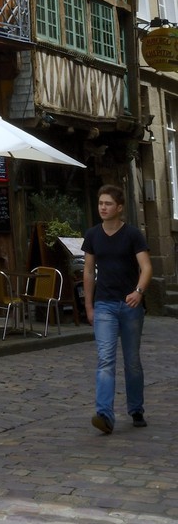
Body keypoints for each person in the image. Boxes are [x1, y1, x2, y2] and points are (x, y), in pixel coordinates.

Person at [82, 182, 152, 434]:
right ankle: (104, 414)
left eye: (108, 203)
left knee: (132, 360)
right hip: (104, 305)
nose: (103, 207)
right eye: (101, 203)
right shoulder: (92, 235)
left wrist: (139, 292)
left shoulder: (132, 235)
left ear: (119, 208)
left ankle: (136, 409)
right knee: (105, 359)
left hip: (130, 305)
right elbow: (89, 271)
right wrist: (88, 305)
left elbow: (146, 267)